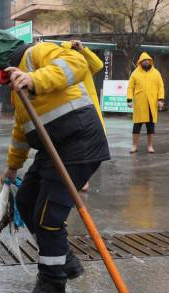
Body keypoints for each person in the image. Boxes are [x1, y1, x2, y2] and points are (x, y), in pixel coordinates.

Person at [0, 29, 110, 293]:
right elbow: (20, 131)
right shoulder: (17, 92)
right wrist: (12, 167)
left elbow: (78, 64)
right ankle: (64, 259)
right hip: (52, 149)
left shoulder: (36, 53)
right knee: (26, 202)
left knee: (47, 216)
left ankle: (52, 286)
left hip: (79, 142)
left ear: (1, 59)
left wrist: (34, 78)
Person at [61, 39, 105, 192]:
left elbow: (98, 65)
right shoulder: (61, 65)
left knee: (87, 146)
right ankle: (75, 179)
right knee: (73, 146)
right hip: (70, 108)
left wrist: (84, 50)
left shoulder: (83, 63)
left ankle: (83, 180)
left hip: (87, 108)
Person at [127, 53, 165, 153]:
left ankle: (150, 146)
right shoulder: (135, 73)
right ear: (140, 62)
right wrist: (129, 99)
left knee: (150, 126)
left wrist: (160, 99)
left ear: (150, 61)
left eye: (148, 60)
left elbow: (161, 86)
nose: (146, 62)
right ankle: (134, 146)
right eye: (144, 60)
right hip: (140, 103)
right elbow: (130, 87)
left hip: (151, 104)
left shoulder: (156, 73)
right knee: (136, 126)